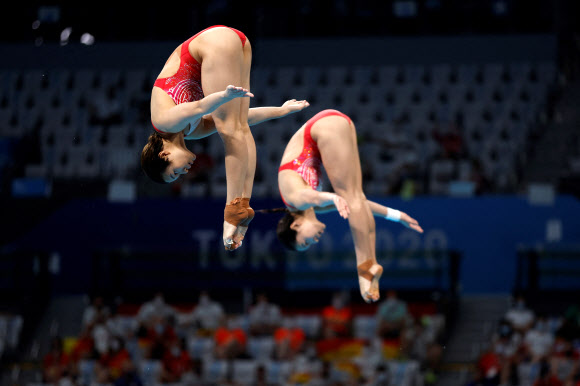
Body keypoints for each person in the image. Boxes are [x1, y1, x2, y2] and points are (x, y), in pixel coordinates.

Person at [141, 25, 308, 250]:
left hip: (213, 43)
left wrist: (223, 96)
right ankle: (243, 205)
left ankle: (231, 211)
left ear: (164, 154)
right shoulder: (192, 130)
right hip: (237, 43)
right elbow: (243, 118)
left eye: (175, 172)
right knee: (238, 127)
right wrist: (280, 111)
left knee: (229, 130)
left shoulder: (163, 122)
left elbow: (200, 105)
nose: (184, 172)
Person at [274, 109, 423, 302]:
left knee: (351, 197)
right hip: (334, 125)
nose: (314, 242)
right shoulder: (314, 207)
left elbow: (310, 196)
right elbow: (360, 205)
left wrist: (331, 197)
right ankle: (371, 264)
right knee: (356, 199)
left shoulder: (293, 200)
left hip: (321, 128)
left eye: (306, 242)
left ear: (296, 226)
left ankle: (364, 269)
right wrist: (397, 215)